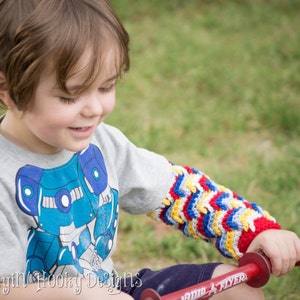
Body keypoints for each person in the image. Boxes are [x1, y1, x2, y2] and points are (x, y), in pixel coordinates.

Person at [0, 1, 299, 299]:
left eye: (106, 87)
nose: (94, 109)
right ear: (10, 92)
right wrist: (72, 294)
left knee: (235, 290)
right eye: (70, 96)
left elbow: (176, 191)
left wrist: (255, 231)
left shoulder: (102, 144)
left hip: (112, 292)